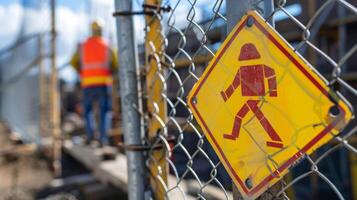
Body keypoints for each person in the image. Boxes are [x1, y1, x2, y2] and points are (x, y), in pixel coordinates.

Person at [70, 20, 118, 147]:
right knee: (104, 111)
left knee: (88, 110)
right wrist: (110, 72)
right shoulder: (107, 46)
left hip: (87, 83)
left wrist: (82, 72)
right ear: (101, 30)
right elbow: (115, 64)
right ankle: (103, 139)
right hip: (103, 83)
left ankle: (90, 137)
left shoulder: (83, 46)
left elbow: (73, 62)